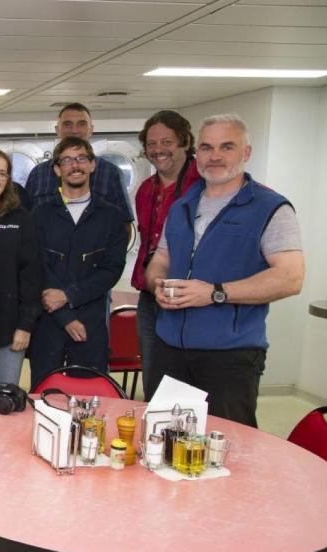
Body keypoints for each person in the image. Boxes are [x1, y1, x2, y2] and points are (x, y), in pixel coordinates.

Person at [147, 114, 304, 427]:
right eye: (207, 147)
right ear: (197, 154)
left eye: (226, 147)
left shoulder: (270, 207)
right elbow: (161, 259)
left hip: (228, 355)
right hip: (170, 347)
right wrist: (157, 285)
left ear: (246, 153)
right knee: (164, 439)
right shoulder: (183, 206)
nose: (215, 156)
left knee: (226, 445)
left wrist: (216, 293)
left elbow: (290, 277)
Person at [30, 138, 128, 390]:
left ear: (93, 165)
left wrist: (69, 296)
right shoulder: (39, 215)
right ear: (56, 169)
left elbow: (111, 270)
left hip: (90, 324)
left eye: (82, 158)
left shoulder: (112, 217)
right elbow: (36, 267)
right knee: (44, 398)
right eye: (67, 160)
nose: (75, 165)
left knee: (87, 402)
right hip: (48, 322)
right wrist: (65, 317)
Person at [132, 111, 201, 400]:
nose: (158, 149)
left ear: (185, 143)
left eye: (167, 141)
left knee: (193, 390)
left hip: (193, 300)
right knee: (156, 385)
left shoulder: (205, 186)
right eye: (151, 143)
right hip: (151, 298)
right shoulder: (146, 190)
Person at [0, 149, 43, 387]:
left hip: (8, 330)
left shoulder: (20, 218)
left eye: (1, 174)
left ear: (8, 180)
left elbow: (31, 276)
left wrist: (25, 326)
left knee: (2, 404)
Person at [23, 103, 133, 221]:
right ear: (57, 130)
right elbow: (25, 220)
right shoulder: (38, 174)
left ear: (91, 130)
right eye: (67, 124)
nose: (74, 130)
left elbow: (124, 222)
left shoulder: (111, 173)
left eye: (81, 124)